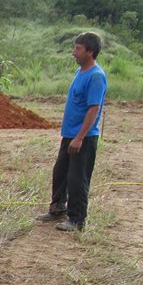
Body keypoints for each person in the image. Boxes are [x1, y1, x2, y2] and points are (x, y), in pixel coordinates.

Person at [38, 32, 107, 232]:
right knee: (60, 172)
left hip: (83, 138)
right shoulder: (81, 72)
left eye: (78, 48)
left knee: (78, 178)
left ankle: (77, 219)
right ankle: (58, 208)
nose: (73, 52)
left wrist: (79, 137)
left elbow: (93, 109)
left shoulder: (95, 76)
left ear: (90, 52)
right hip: (70, 135)